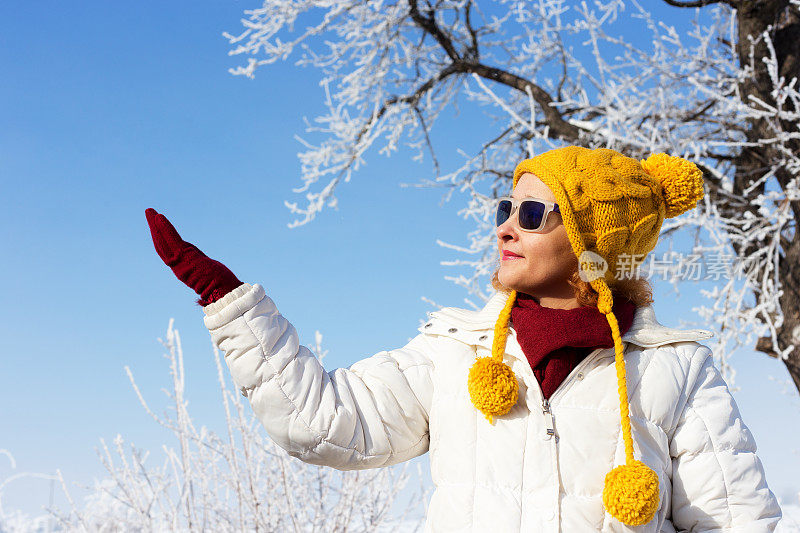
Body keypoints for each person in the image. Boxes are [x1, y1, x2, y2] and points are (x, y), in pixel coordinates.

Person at [146, 145, 782, 532]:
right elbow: (320, 422)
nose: (506, 225)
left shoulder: (675, 369)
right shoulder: (452, 352)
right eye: (502, 208)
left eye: (532, 213)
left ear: (594, 243)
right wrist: (226, 298)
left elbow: (735, 523)